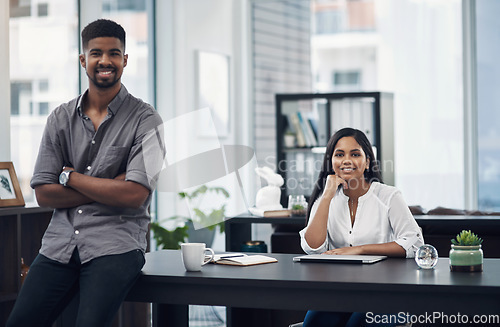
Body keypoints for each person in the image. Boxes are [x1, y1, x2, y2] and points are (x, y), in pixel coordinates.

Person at [7, 19, 164, 327]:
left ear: (125, 60)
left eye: (114, 53)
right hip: (59, 244)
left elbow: (134, 195)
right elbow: (43, 193)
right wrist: (109, 185)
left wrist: (70, 177)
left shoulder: (147, 120)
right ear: (83, 60)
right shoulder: (60, 118)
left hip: (116, 244)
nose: (105, 61)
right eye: (96, 53)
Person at [299, 127, 423, 327]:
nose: (347, 160)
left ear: (367, 162)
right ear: (332, 162)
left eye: (355, 154)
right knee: (314, 324)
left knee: (358, 324)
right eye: (339, 155)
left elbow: (415, 243)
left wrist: (360, 250)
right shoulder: (325, 199)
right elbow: (313, 247)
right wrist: (328, 195)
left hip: (387, 291)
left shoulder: (388, 196)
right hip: (339, 292)